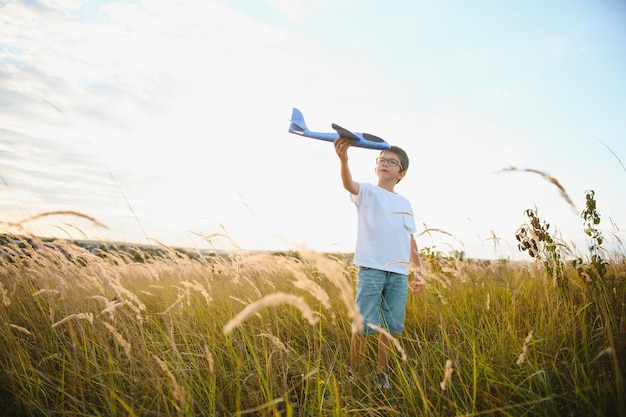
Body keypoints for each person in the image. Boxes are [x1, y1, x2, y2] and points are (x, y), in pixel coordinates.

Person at [334, 137, 424, 390]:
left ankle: (380, 372)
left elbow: (410, 239)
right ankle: (354, 371)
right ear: (376, 167)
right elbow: (347, 184)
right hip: (372, 267)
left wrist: (418, 272)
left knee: (390, 327)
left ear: (401, 173)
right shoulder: (368, 191)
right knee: (363, 325)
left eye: (392, 162)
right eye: (381, 160)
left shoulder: (405, 203)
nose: (385, 164)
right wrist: (343, 159)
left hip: (397, 272)